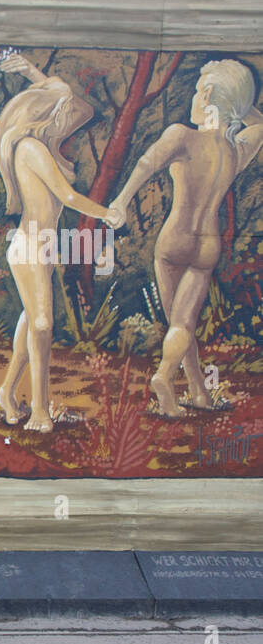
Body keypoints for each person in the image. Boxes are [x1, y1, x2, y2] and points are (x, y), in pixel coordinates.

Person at [108, 59, 263, 417]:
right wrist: (236, 100)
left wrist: (121, 201)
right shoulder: (235, 150)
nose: (193, 98)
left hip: (174, 240)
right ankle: (198, 392)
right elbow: (257, 122)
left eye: (198, 90)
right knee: (185, 322)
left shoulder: (181, 136)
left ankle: (164, 376)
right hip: (207, 245)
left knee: (178, 323)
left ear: (207, 95)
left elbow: (146, 164)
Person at [0, 53, 121, 432]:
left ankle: (6, 392)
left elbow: (77, 104)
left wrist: (34, 73)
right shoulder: (30, 148)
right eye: (63, 113)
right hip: (31, 246)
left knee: (33, 322)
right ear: (49, 114)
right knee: (43, 325)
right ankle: (41, 411)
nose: (70, 120)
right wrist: (107, 214)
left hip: (42, 246)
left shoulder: (43, 147)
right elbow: (68, 198)